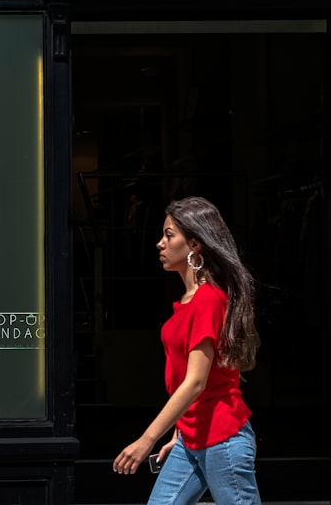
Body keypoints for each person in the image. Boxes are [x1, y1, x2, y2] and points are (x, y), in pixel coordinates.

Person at [113, 196, 261, 504]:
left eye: (169, 235)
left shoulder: (208, 299)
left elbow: (196, 382)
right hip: (191, 437)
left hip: (222, 438)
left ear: (194, 244)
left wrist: (146, 440)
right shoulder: (190, 300)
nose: (160, 244)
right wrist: (179, 433)